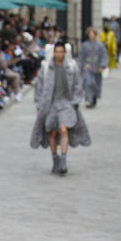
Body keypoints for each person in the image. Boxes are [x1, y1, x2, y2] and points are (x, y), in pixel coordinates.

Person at [30, 41, 91, 175]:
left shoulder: (71, 66)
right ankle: (55, 159)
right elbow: (39, 87)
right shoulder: (46, 68)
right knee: (52, 132)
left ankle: (63, 159)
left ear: (64, 52)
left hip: (65, 103)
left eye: (60, 52)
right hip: (50, 104)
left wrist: (75, 101)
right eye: (56, 52)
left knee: (64, 129)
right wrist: (39, 104)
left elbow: (77, 84)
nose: (58, 54)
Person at [79, 27, 108, 108]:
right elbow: (81, 56)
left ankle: (93, 97)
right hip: (87, 67)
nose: (91, 35)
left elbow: (104, 56)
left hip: (97, 68)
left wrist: (103, 66)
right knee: (88, 82)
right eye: (90, 34)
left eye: (93, 34)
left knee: (95, 84)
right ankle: (88, 99)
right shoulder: (85, 45)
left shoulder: (100, 45)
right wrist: (80, 67)